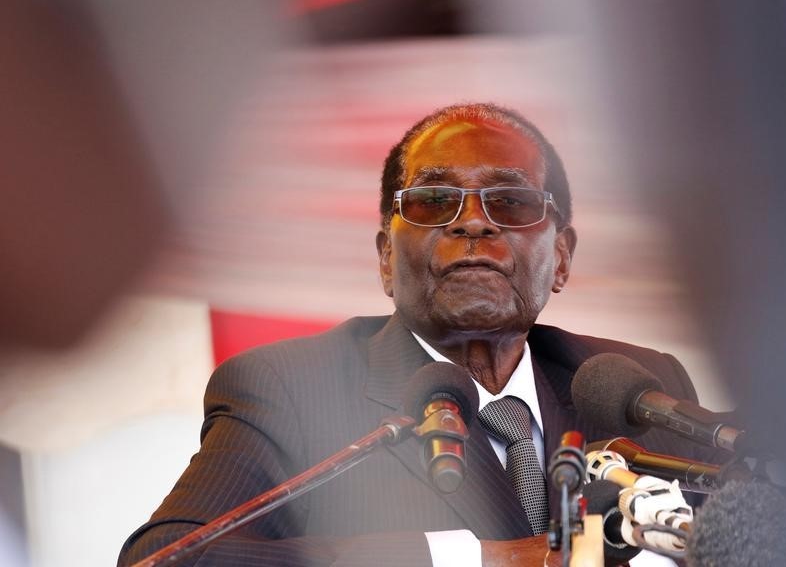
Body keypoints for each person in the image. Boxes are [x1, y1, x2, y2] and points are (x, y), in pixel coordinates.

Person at [119, 103, 714, 566]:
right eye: (434, 201)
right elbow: (167, 559)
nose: (475, 222)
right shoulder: (292, 390)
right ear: (385, 258)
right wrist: (473, 559)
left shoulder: (636, 385)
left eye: (510, 201)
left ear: (560, 258)